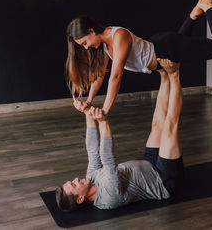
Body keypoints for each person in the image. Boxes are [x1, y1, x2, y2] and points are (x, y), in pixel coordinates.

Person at [65, 0, 212, 115]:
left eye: (85, 42)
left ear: (91, 31)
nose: (86, 47)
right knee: (180, 41)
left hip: (166, 48)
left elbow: (115, 77)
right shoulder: (102, 46)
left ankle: (207, 7)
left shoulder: (119, 35)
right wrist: (88, 101)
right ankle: (194, 13)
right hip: (162, 45)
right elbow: (99, 76)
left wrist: (105, 110)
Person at [55, 59, 184, 211]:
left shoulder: (90, 178)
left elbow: (92, 150)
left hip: (149, 164)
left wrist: (87, 112)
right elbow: (108, 160)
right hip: (163, 180)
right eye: (74, 185)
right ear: (81, 198)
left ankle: (163, 75)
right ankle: (175, 74)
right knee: (169, 128)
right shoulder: (109, 197)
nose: (76, 179)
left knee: (157, 125)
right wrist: (103, 123)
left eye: (72, 181)